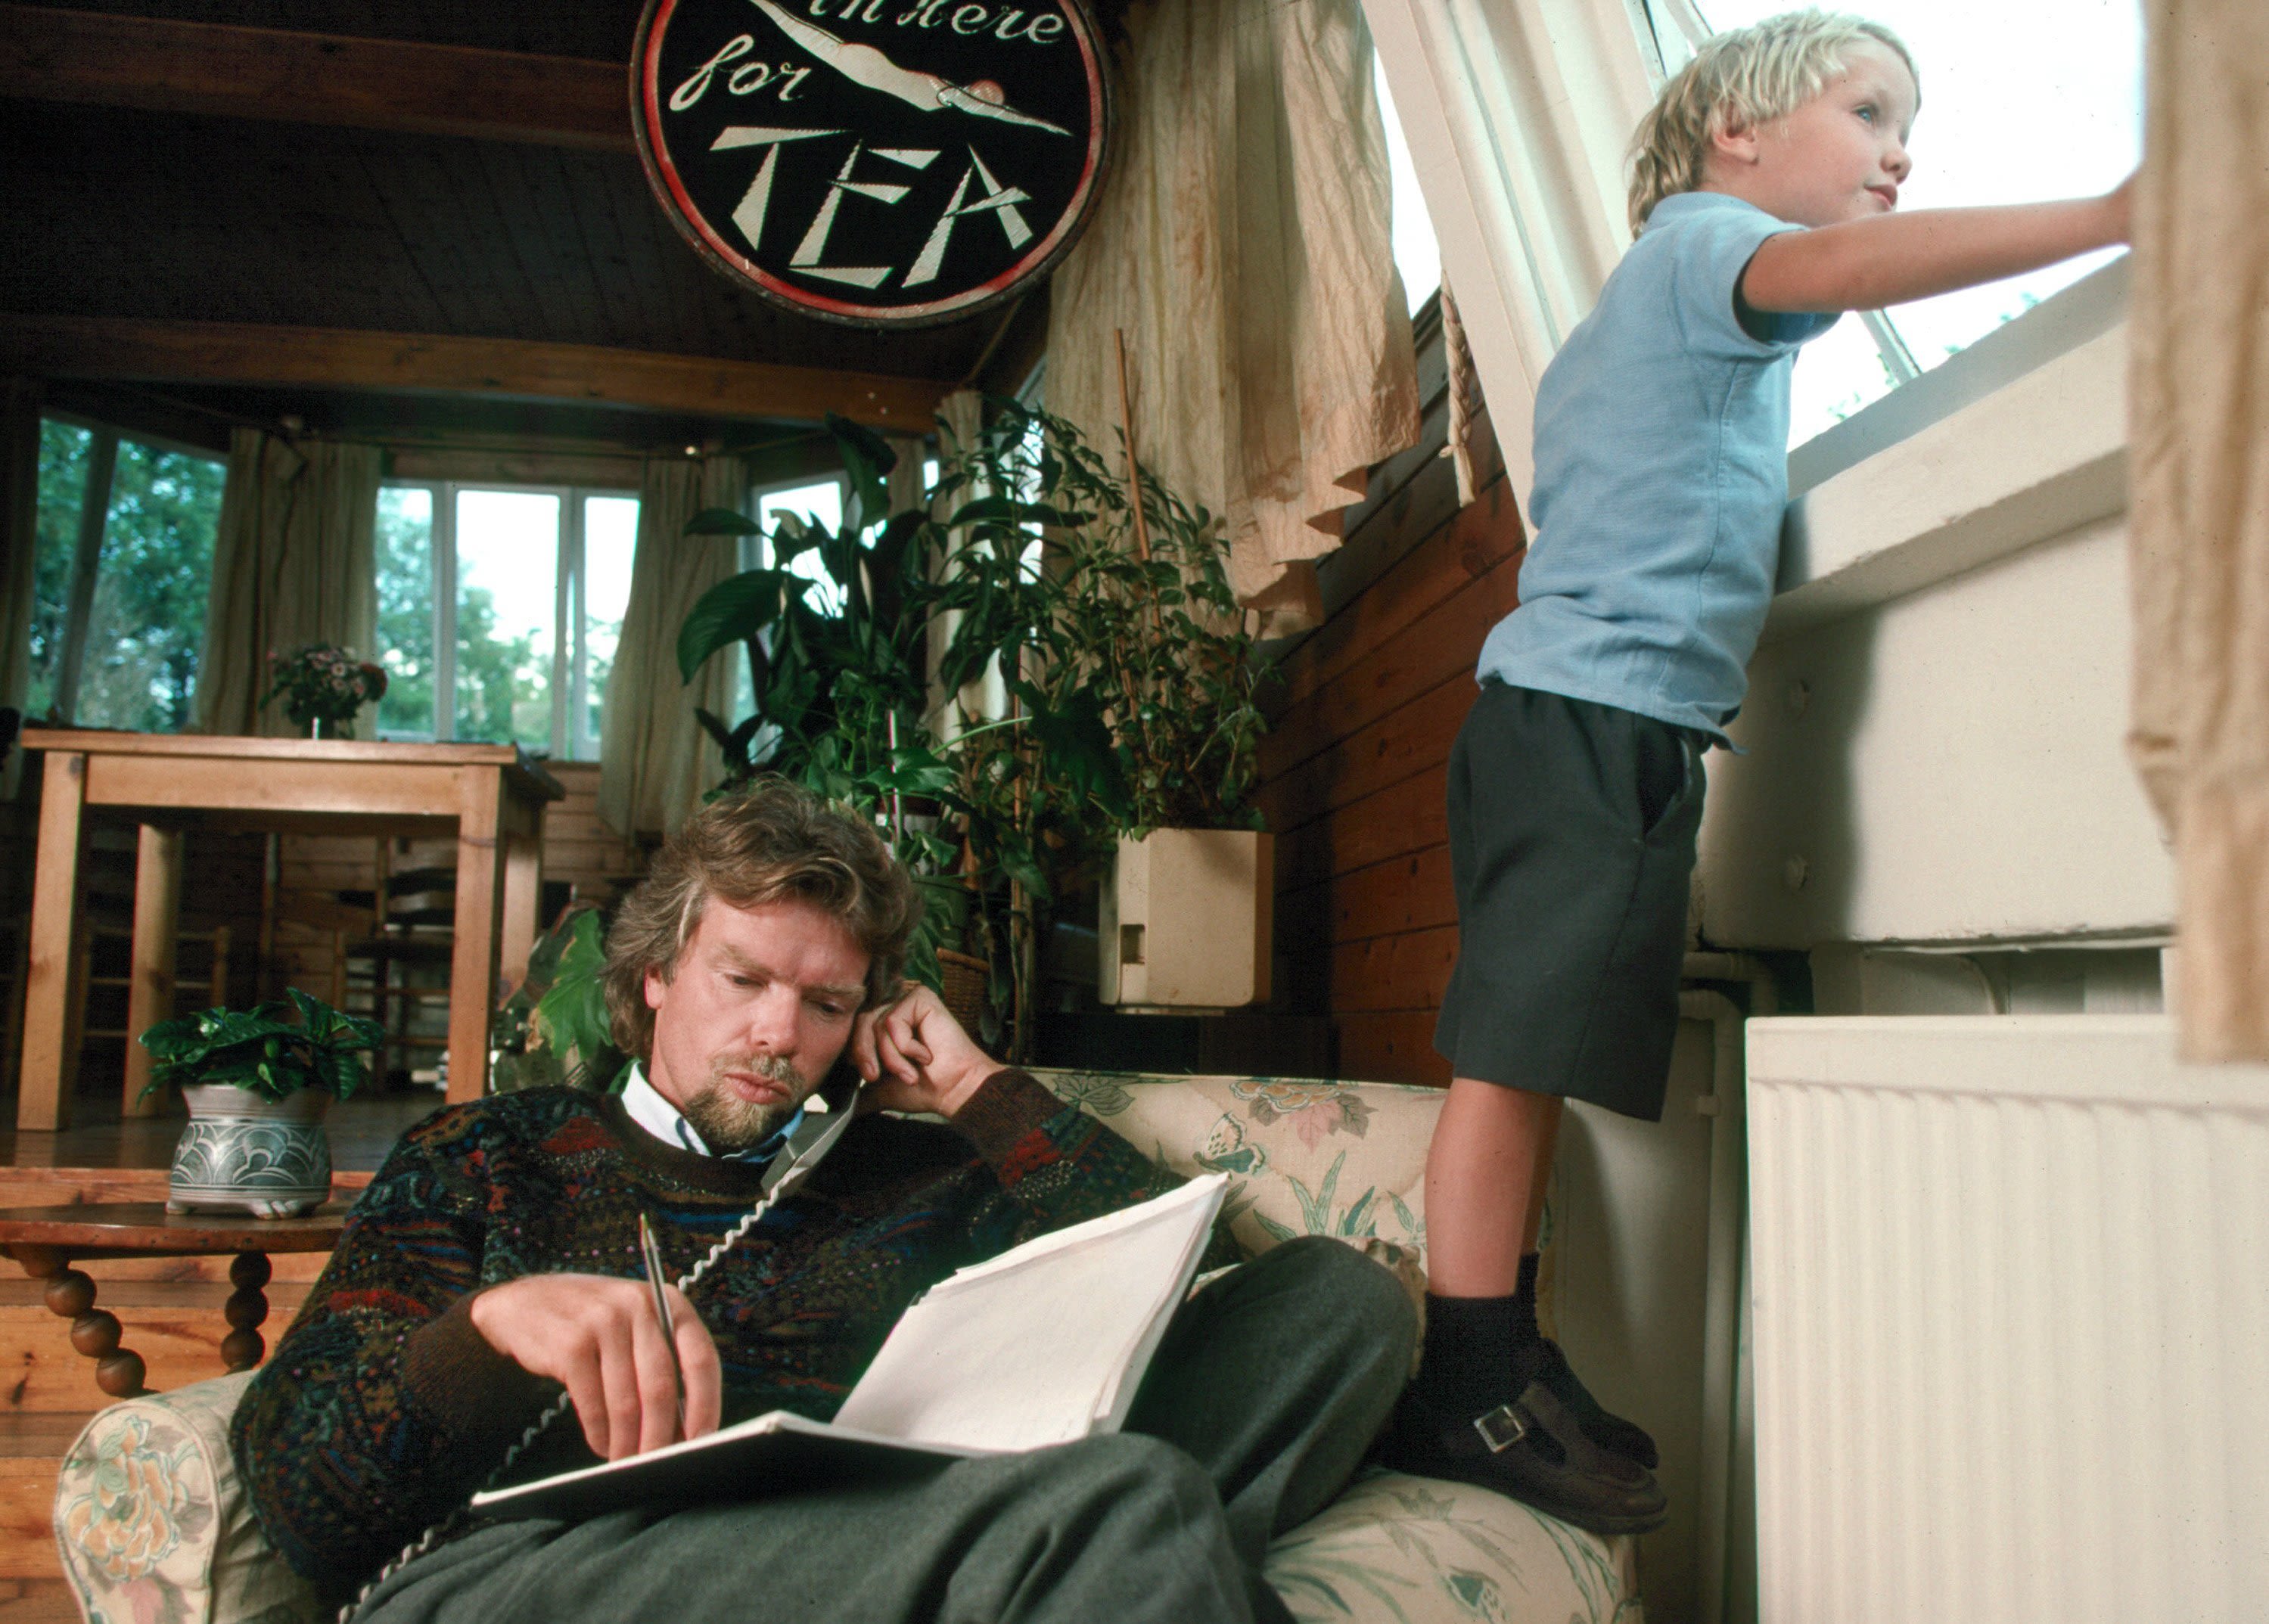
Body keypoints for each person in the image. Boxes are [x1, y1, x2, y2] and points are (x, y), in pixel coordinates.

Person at [1384, 10, 2131, 1532]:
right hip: (1588, 723)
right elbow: (1846, 273)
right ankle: (1463, 1374)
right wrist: (2114, 218)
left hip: (1590, 723)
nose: (1901, 156)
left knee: (1540, 1054)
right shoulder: (1702, 248)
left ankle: (1504, 1340)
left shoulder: (1648, 310)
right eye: (1870, 114)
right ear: (1739, 131)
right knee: (1513, 1061)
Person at [233, 780, 1414, 1624]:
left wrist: (970, 1088)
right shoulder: (488, 1150)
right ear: (654, 977)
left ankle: (1054, 1565)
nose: (775, 1035)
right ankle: (1080, 1560)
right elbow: (297, 1487)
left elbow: (1168, 1268)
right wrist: (490, 1331)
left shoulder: (911, 1167)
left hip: (890, 1530)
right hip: (540, 1563)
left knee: (1336, 1302)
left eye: (825, 1004)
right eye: (741, 980)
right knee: (1126, 1502)